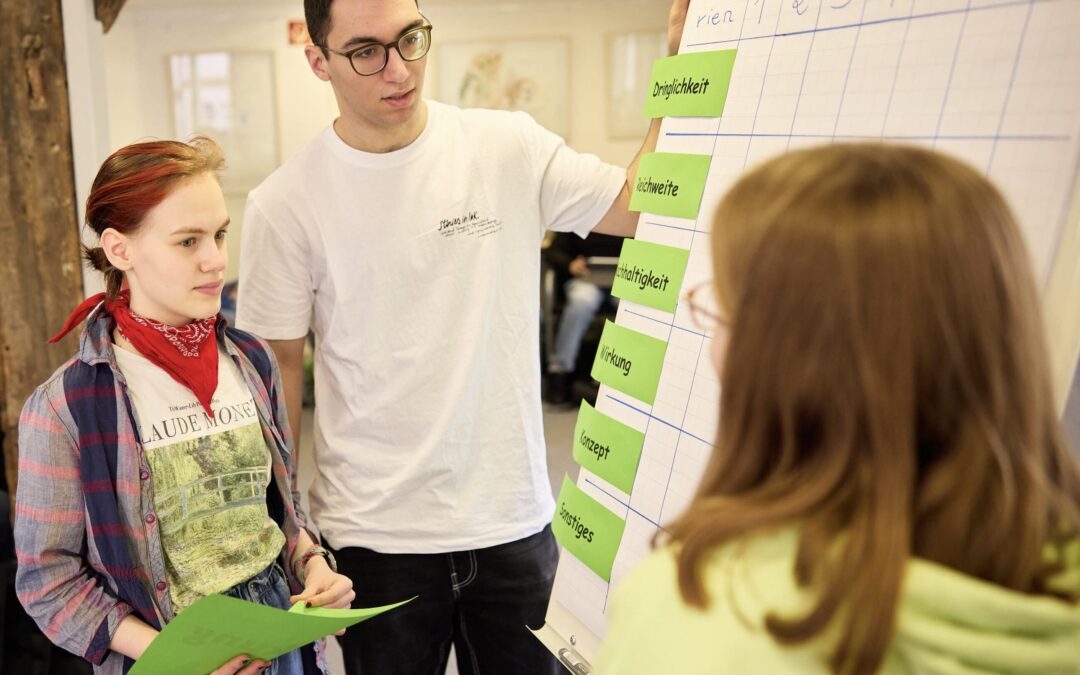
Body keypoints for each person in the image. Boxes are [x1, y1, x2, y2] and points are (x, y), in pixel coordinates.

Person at [235, 0, 691, 672]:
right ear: (316, 59)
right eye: (366, 51)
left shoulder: (506, 145)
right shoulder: (284, 202)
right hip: (374, 541)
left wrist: (677, 69)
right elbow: (275, 384)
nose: (399, 69)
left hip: (512, 522)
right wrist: (291, 540)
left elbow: (636, 204)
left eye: (411, 39)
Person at [595, 143, 1080, 674]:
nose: (713, 341)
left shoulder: (694, 614)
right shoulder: (1052, 582)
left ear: (792, 359)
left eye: (725, 308)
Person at [14, 138, 355, 675]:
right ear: (119, 249)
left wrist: (313, 565)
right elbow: (47, 581)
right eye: (187, 241)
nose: (216, 260)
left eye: (219, 234)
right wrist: (175, 657)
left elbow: (278, 513)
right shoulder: (66, 407)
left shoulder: (253, 360)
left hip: (283, 648)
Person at [543, 231, 622, 405]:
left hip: (624, 279)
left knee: (633, 307)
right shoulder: (579, 210)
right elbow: (553, 251)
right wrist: (570, 264)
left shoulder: (634, 216)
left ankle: (625, 376)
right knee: (581, 301)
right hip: (586, 279)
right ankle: (559, 369)